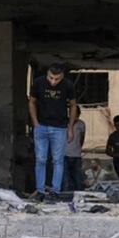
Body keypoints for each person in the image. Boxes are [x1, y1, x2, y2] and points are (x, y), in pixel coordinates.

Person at [28, 63, 77, 199]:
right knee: (40, 159)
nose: (53, 82)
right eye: (51, 78)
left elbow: (73, 106)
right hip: (41, 126)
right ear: (47, 74)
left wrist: (70, 127)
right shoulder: (38, 83)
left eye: (57, 79)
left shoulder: (68, 85)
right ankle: (40, 191)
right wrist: (35, 122)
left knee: (58, 160)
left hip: (60, 128)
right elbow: (31, 102)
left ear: (62, 77)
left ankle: (55, 191)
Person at [63, 116, 87, 191]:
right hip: (64, 155)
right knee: (65, 180)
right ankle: (65, 197)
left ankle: (80, 197)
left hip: (76, 155)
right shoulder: (64, 123)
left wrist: (78, 148)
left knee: (78, 179)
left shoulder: (81, 124)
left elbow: (82, 139)